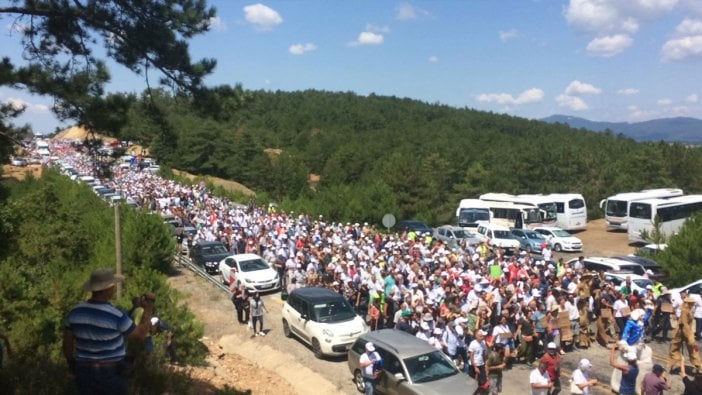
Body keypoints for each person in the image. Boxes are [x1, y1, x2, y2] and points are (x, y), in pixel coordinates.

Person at [63, 268, 154, 395]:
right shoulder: (116, 315)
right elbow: (139, 335)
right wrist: (148, 309)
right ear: (107, 289)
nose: (115, 288)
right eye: (113, 286)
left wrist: (72, 365)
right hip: (110, 373)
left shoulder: (74, 312)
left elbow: (67, 346)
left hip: (83, 371)